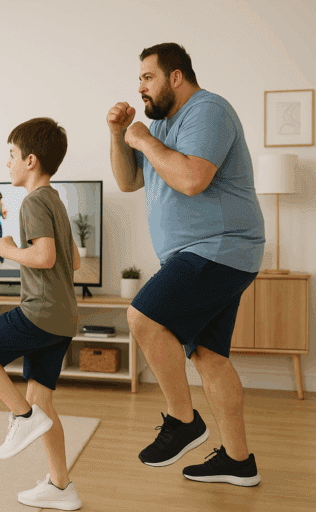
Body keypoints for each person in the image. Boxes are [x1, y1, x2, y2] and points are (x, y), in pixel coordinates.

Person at [107, 43, 264, 486]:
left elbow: (193, 178)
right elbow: (128, 180)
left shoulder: (207, 110)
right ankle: (238, 462)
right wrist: (121, 136)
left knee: (142, 316)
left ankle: (183, 420)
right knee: (211, 358)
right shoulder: (160, 127)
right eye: (138, 78)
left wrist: (142, 138)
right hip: (204, 254)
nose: (140, 87)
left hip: (219, 248)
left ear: (176, 77)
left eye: (147, 77)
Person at [0, 118, 83, 511]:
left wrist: (7, 249)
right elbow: (74, 261)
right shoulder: (56, 201)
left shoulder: (32, 202)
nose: (7, 162)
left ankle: (20, 416)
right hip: (64, 318)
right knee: (43, 402)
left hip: (40, 313)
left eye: (11, 155)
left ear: (30, 161)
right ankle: (61, 487)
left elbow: (44, 257)